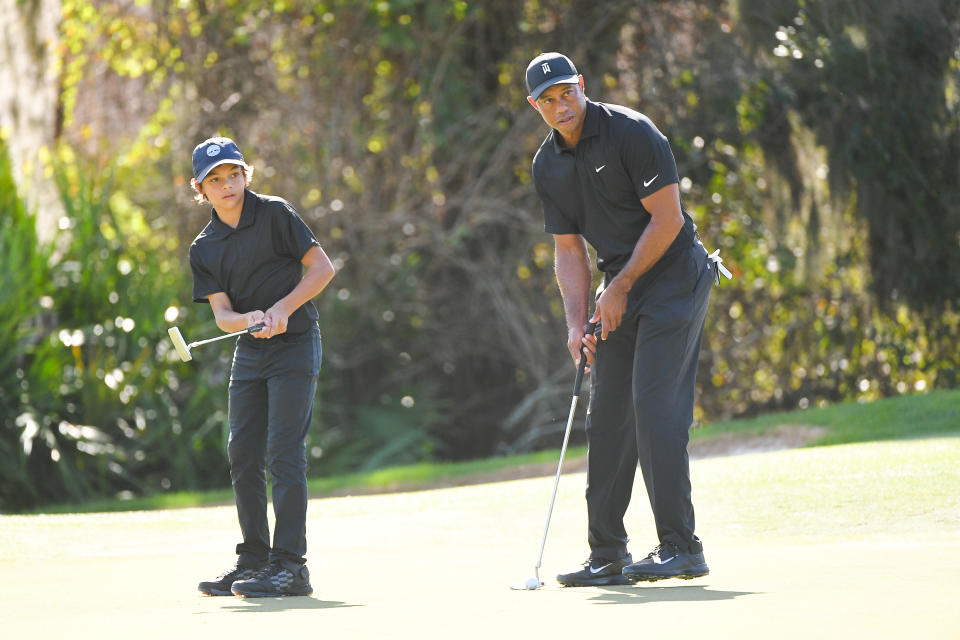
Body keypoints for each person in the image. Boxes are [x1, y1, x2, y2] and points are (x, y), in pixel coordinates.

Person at [525, 53, 730, 586]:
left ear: (581, 86)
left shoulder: (631, 132)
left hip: (674, 276)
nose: (560, 105)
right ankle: (607, 554)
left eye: (566, 92)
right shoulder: (547, 164)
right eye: (548, 99)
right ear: (535, 106)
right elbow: (568, 250)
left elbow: (669, 219)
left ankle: (681, 547)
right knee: (608, 412)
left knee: (653, 404)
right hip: (619, 285)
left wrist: (618, 287)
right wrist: (576, 323)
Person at [187, 136, 335, 597]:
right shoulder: (205, 246)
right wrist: (247, 319)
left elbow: (322, 269)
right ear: (200, 188)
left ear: (245, 174)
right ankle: (253, 560)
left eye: (234, 174)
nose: (227, 184)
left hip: (295, 345)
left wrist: (284, 308)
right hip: (250, 351)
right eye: (215, 179)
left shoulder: (275, 214)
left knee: (283, 453)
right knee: (243, 454)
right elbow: (222, 316)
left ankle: (290, 566)